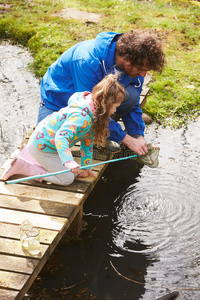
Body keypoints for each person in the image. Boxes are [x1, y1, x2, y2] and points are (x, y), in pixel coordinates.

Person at [37, 30, 165, 156]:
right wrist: (126, 139)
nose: (143, 75)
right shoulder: (87, 61)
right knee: (46, 145)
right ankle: (99, 132)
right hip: (58, 101)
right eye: (141, 70)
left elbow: (134, 106)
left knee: (131, 97)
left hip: (93, 101)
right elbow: (91, 110)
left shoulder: (136, 63)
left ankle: (100, 133)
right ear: (127, 60)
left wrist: (138, 135)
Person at [3, 75, 125, 186]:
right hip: (42, 147)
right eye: (115, 107)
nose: (115, 111)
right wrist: (68, 162)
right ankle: (24, 167)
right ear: (106, 104)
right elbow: (61, 138)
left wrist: (86, 167)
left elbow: (87, 142)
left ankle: (27, 155)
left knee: (72, 173)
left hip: (48, 144)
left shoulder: (93, 113)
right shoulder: (81, 117)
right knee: (67, 179)